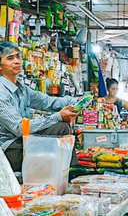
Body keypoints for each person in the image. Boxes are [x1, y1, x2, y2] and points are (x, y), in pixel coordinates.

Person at [0, 41, 79, 172]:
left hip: (21, 142)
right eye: (10, 58)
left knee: (62, 128)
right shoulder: (1, 92)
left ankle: (66, 173)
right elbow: (19, 128)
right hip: (8, 150)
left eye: (18, 56)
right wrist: (58, 116)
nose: (17, 61)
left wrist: (78, 101)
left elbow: (48, 102)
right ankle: (70, 173)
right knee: (60, 128)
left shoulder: (22, 89)